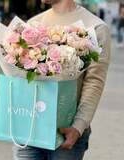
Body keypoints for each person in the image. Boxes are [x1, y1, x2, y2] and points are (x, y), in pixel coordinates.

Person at [13, 0, 111, 159]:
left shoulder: (96, 28)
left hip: (66, 134)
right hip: (30, 129)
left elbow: (94, 82)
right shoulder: (33, 24)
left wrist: (78, 127)